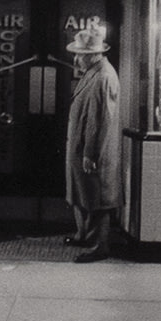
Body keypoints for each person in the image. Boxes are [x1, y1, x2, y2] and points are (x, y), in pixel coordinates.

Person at [64, 25, 121, 263]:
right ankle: (84, 235)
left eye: (80, 55)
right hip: (81, 148)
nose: (76, 59)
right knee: (85, 194)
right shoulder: (94, 73)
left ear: (92, 55)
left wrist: (90, 153)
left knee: (98, 199)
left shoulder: (103, 77)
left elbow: (100, 120)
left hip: (92, 151)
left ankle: (101, 245)